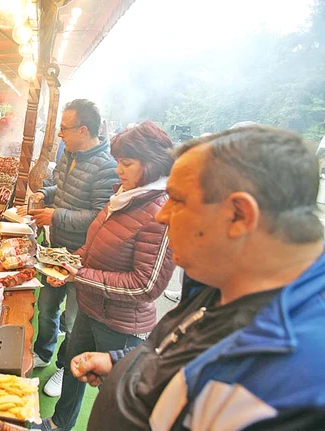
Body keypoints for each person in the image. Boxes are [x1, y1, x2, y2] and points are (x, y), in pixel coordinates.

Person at [74, 126, 325, 430]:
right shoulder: (223, 276)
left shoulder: (292, 382)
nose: (161, 215)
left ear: (239, 215)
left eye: (177, 201)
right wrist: (122, 362)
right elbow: (181, 346)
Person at [39, 122, 176, 431]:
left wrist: (81, 276)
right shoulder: (125, 195)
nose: (118, 170)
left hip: (120, 324)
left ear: (151, 164)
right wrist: (70, 264)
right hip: (92, 307)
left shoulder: (160, 210)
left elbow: (146, 285)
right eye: (118, 162)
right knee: (75, 369)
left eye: (126, 163)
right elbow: (95, 241)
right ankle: (58, 424)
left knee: (112, 400)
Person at [17, 99, 118, 397]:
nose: (60, 134)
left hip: (81, 257)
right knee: (47, 306)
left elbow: (101, 218)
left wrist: (56, 215)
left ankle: (63, 366)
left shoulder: (107, 168)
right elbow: (59, 189)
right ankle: (44, 352)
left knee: (73, 319)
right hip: (55, 248)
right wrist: (44, 196)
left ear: (83, 130)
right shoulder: (69, 154)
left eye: (65, 128)